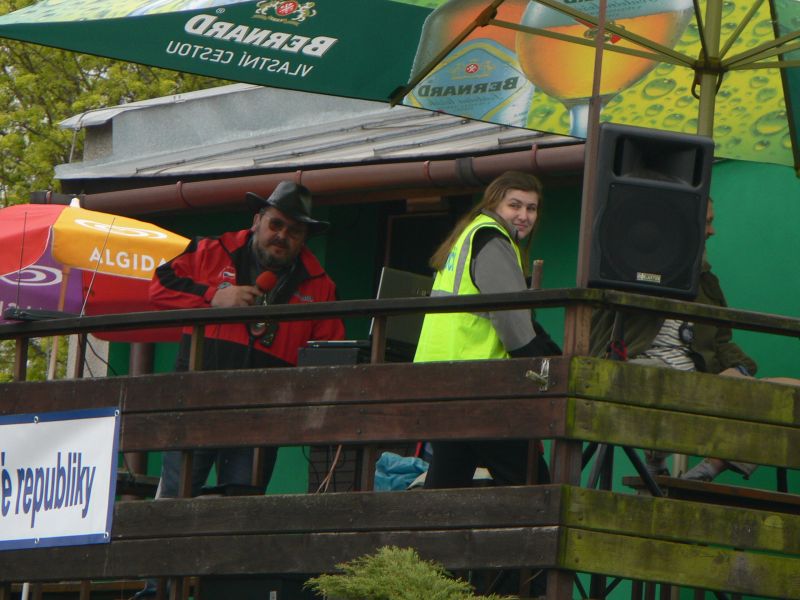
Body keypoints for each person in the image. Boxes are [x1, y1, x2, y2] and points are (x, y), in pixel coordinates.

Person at [149, 181, 345, 498]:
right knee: (175, 498)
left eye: (294, 231)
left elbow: (330, 353)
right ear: (257, 221)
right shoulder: (211, 250)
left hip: (263, 412)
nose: (282, 235)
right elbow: (159, 287)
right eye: (276, 224)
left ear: (304, 238)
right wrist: (214, 297)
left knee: (243, 506)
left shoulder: (321, 285)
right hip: (197, 399)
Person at [590, 197, 760, 482]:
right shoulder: (632, 268)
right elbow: (599, 329)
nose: (712, 231)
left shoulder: (706, 283)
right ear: (682, 226)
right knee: (659, 381)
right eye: (707, 222)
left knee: (789, 394)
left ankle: (703, 472)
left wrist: (740, 370)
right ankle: (657, 465)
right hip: (643, 373)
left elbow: (720, 342)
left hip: (696, 380)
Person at [414, 171, 561, 490]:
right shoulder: (492, 239)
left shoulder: (469, 235)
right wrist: (548, 365)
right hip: (477, 384)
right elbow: (513, 324)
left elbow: (512, 315)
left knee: (446, 483)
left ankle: (423, 526)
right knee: (534, 485)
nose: (524, 215)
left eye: (532, 208)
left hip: (442, 380)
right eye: (515, 205)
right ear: (494, 204)